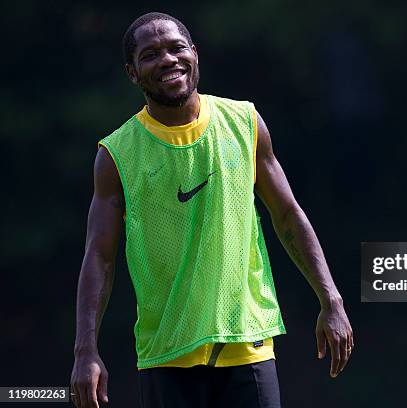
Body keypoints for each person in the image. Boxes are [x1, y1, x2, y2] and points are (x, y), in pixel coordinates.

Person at [70, 12, 353, 408]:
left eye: (176, 48)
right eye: (150, 55)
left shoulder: (244, 122)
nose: (167, 60)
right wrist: (86, 350)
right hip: (167, 355)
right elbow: (99, 257)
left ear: (195, 55)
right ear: (133, 73)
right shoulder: (116, 155)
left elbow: (288, 215)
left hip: (247, 343)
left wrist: (331, 300)